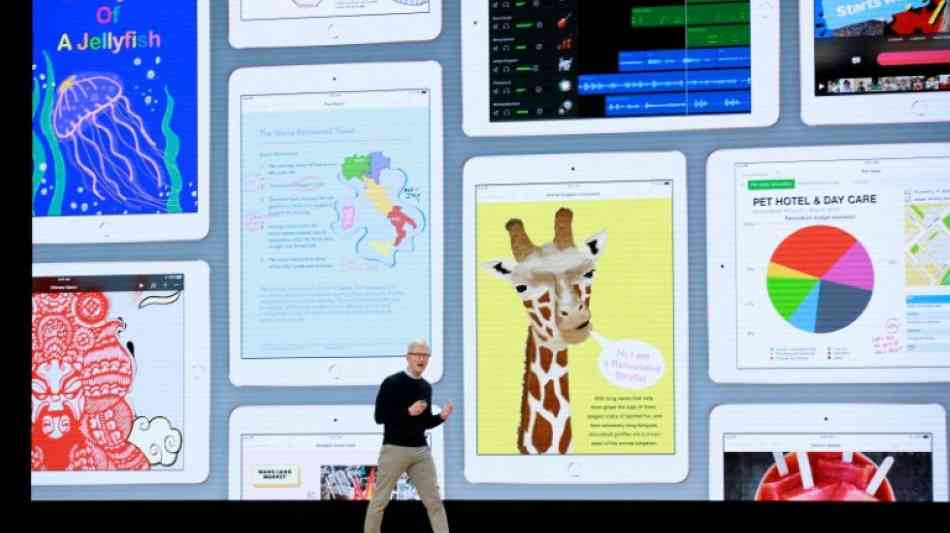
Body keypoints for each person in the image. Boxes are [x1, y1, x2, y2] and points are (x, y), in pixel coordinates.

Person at [364, 339, 453, 533]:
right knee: (380, 501)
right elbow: (379, 417)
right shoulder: (392, 382)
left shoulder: (426, 387)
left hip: (420, 452)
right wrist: (407, 412)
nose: (422, 359)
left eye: (425, 355)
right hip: (394, 449)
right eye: (418, 355)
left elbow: (425, 422)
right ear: (408, 358)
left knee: (434, 502)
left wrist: (441, 417)